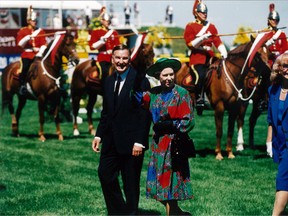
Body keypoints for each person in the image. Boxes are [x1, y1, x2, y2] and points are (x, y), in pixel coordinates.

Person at [91, 44, 151, 215]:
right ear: (112, 59)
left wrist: (140, 141)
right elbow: (107, 112)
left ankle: (130, 213)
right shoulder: (109, 81)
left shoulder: (140, 81)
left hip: (132, 143)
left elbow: (144, 114)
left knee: (130, 183)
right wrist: (99, 136)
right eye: (117, 58)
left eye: (125, 58)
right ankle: (118, 212)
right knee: (104, 174)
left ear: (129, 59)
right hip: (110, 141)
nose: (121, 62)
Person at [134, 58, 195, 215]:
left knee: (169, 184)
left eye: (171, 74)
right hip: (158, 145)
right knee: (158, 184)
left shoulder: (182, 94)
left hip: (174, 145)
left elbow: (189, 121)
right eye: (165, 75)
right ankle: (179, 213)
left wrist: (171, 125)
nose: (169, 78)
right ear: (157, 76)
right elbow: (135, 97)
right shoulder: (153, 94)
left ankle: (173, 213)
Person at [183, 0, 227, 110]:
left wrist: (224, 52)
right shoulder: (190, 26)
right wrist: (202, 38)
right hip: (197, 58)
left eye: (206, 12)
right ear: (196, 13)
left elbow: (217, 40)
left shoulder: (211, 27)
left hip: (210, 56)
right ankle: (199, 98)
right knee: (201, 75)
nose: (205, 14)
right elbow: (190, 44)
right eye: (202, 12)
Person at [266, 52, 288, 215]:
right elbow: (270, 119)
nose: (287, 69)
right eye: (285, 66)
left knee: (282, 179)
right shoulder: (273, 90)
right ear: (279, 68)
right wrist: (269, 142)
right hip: (279, 143)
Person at [16, 5, 47, 95]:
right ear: (29, 21)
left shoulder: (40, 31)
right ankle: (22, 86)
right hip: (27, 54)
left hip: (38, 54)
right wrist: (26, 38)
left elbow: (44, 44)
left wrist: (40, 52)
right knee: (25, 68)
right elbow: (20, 44)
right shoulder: (23, 31)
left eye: (36, 21)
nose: (35, 22)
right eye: (33, 21)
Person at [89, 12, 120, 84]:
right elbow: (92, 47)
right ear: (102, 21)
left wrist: (113, 51)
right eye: (106, 21)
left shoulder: (114, 33)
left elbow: (117, 45)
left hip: (114, 57)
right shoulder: (96, 32)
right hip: (103, 58)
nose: (108, 22)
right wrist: (101, 41)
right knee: (105, 71)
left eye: (109, 21)